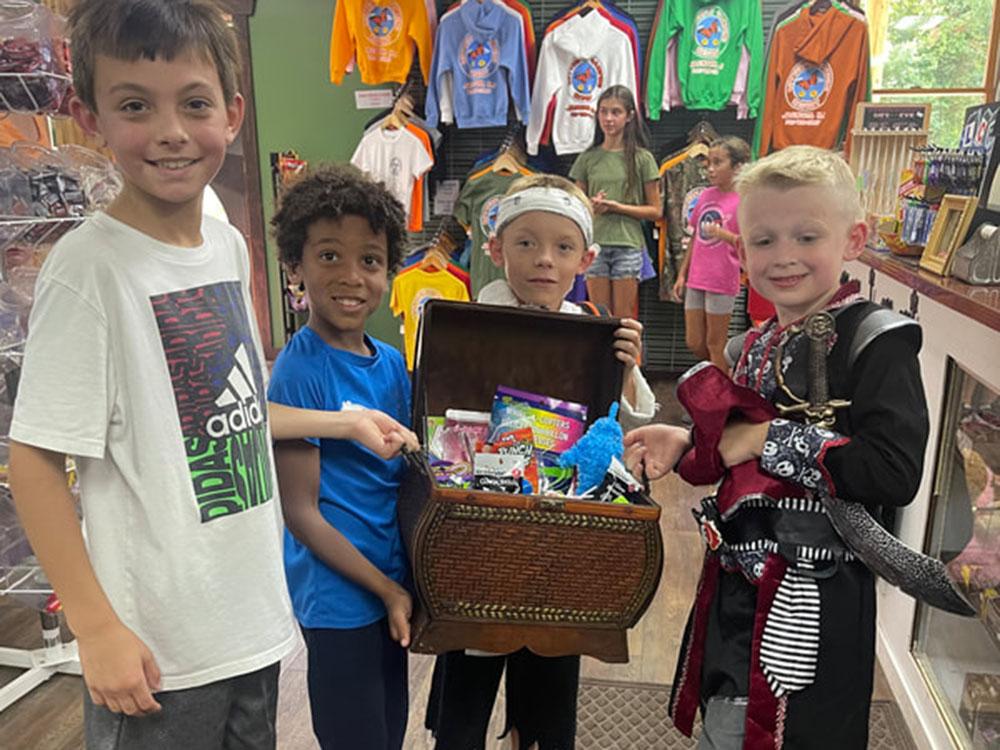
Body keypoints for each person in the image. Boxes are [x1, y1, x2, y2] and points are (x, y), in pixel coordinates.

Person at [7, 3, 415, 748]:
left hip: (253, 624)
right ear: (87, 116)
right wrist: (95, 627)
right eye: (135, 105)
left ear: (230, 113)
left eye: (193, 104)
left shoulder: (227, 244)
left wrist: (342, 422)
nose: (169, 131)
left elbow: (231, 409)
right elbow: (34, 460)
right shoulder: (88, 272)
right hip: (159, 649)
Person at [624, 146, 930, 749]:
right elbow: (741, 457)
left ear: (854, 239)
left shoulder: (877, 341)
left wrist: (770, 438)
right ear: (739, 251)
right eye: (763, 241)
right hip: (734, 586)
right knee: (726, 723)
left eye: (806, 236)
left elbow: (892, 472)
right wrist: (686, 439)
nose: (784, 256)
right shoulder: (752, 347)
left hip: (816, 598)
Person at [427, 173, 657, 750]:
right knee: (469, 681)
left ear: (587, 257)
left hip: (563, 540)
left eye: (562, 247)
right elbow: (434, 412)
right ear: (495, 248)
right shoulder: (468, 322)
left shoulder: (596, 329)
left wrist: (627, 370)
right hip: (480, 534)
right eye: (525, 243)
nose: (544, 261)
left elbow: (621, 429)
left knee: (552, 678)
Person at [266, 164, 413, 750]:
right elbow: (302, 515)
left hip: (390, 586)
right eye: (329, 256)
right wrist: (383, 589)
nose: (352, 277)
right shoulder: (301, 370)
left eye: (370, 261)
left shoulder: (393, 363)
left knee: (389, 730)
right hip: (340, 598)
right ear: (295, 265)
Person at [569, 85, 661, 318]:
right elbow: (577, 207)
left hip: (628, 245)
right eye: (603, 112)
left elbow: (655, 211)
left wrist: (617, 207)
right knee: (599, 314)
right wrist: (592, 205)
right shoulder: (588, 158)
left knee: (623, 317)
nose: (608, 119)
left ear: (629, 116)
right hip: (595, 244)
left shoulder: (642, 158)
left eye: (616, 112)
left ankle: (627, 356)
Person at [672, 136, 751, 372]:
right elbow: (696, 236)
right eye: (709, 163)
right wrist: (681, 275)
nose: (711, 169)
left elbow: (750, 245)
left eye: (718, 162)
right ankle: (721, 377)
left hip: (722, 279)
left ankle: (719, 397)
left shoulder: (745, 201)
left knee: (715, 344)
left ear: (737, 167)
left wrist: (723, 234)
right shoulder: (706, 196)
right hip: (697, 277)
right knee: (694, 341)